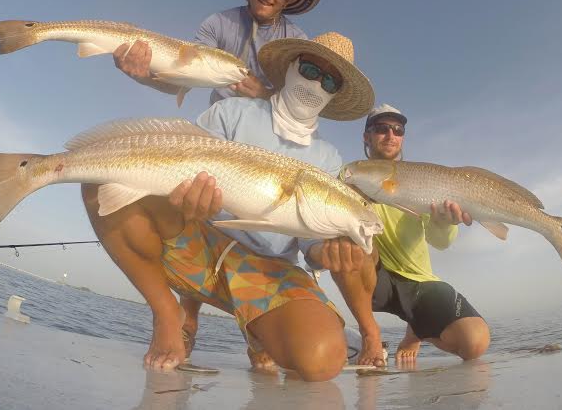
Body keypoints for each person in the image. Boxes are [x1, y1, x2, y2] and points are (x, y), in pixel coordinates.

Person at [81, 32, 376, 382]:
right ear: (291, 68)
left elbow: (312, 243)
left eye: (330, 80)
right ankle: (167, 313)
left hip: (271, 271)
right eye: (311, 70)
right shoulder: (231, 111)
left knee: (322, 360)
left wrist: (329, 251)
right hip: (202, 242)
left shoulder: (329, 158)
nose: (316, 85)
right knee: (106, 176)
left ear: (334, 94)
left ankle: (260, 333)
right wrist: (189, 202)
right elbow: (178, 158)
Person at [332, 104, 490, 367]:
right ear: (366, 136)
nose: (390, 135)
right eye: (381, 129)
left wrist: (443, 222)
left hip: (419, 280)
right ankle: (370, 334)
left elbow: (441, 243)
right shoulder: (350, 173)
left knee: (474, 343)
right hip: (372, 277)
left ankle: (416, 331)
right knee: (347, 240)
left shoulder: (422, 181)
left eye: (398, 130)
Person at [113, 0, 321, 104]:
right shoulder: (217, 23)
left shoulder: (297, 41)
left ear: (288, 0)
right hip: (219, 127)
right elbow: (180, 83)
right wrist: (143, 76)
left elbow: (299, 102)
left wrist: (264, 95)